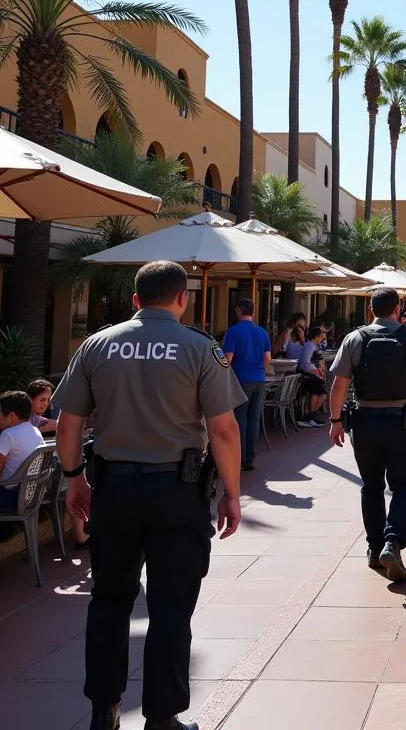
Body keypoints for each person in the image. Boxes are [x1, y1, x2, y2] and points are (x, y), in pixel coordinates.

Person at [52, 260, 245, 730]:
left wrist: (75, 478)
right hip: (177, 495)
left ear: (135, 300)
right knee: (171, 606)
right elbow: (222, 429)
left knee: (110, 600)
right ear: (183, 299)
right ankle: (162, 717)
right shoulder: (201, 348)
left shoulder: (97, 344)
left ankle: (104, 709)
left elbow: (69, 423)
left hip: (114, 492)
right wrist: (232, 494)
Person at [327, 288, 406, 584]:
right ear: (398, 308)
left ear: (370, 309)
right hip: (403, 423)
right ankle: (393, 540)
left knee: (371, 486)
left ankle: (375, 547)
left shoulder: (355, 338)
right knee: (405, 484)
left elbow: (339, 384)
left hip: (364, 422)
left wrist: (336, 420)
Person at [222, 298, 272, 471]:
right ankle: (250, 457)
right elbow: (267, 359)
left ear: (238, 310)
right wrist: (258, 369)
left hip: (240, 379)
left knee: (240, 418)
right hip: (259, 379)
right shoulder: (262, 332)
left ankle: (240, 457)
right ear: (253, 312)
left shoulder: (233, 332)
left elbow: (228, 358)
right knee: (254, 418)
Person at [0, 391, 45, 508]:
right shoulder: (36, 431)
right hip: (31, 496)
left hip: (9, 496)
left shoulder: (8, 434)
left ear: (11, 416)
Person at [294, 325, 329, 427]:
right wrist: (315, 371)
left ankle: (311, 416)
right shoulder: (310, 346)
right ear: (316, 336)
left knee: (321, 393)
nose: (323, 339)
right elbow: (304, 363)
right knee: (320, 393)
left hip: (311, 374)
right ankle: (310, 416)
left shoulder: (314, 346)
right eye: (322, 337)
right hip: (307, 375)